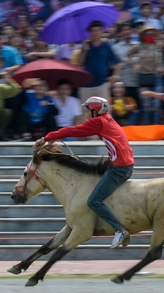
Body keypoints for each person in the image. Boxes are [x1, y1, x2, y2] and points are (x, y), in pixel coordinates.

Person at [36, 97, 135, 248]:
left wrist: (47, 138)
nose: (87, 114)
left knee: (93, 200)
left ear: (95, 111)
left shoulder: (98, 122)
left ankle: (120, 230)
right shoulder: (108, 119)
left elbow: (73, 131)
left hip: (119, 169)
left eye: (88, 111)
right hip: (125, 165)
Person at [77, 20, 120, 102]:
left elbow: (117, 64)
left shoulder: (106, 46)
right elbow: (80, 64)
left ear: (101, 31)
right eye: (93, 31)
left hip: (102, 84)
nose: (95, 33)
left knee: (103, 112)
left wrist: (115, 76)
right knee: (87, 113)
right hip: (86, 85)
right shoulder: (85, 46)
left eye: (98, 30)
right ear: (90, 32)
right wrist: (85, 51)